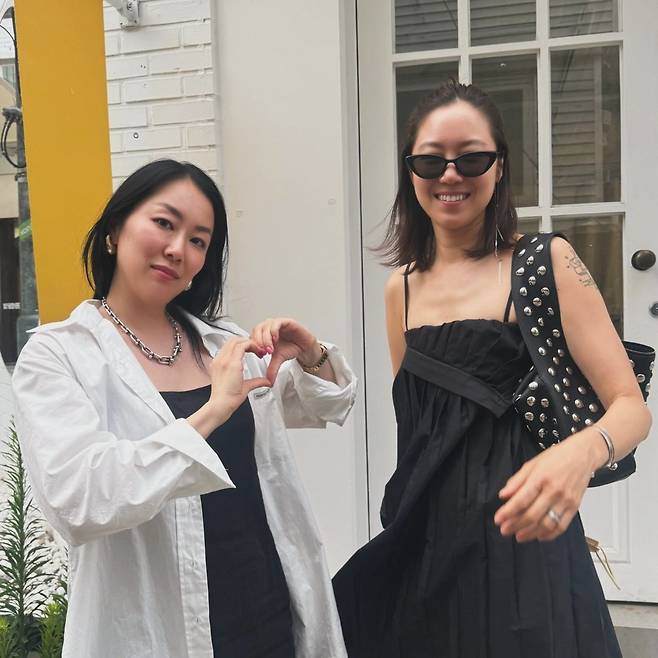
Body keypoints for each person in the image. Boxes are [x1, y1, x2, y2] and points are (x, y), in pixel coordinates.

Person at [332, 80, 651, 658]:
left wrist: (580, 453)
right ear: (410, 171)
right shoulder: (400, 288)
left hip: (525, 548)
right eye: (431, 160)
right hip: (428, 545)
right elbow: (417, 433)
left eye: (472, 158)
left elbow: (631, 408)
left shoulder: (546, 262)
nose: (450, 175)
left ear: (499, 166)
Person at [12, 160, 357, 658]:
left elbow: (323, 403)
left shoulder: (223, 342)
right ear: (114, 230)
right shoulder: (60, 354)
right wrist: (211, 413)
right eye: (164, 223)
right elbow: (77, 500)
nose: (178, 249)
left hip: (269, 618)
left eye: (198, 240)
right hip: (157, 634)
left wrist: (311, 353)